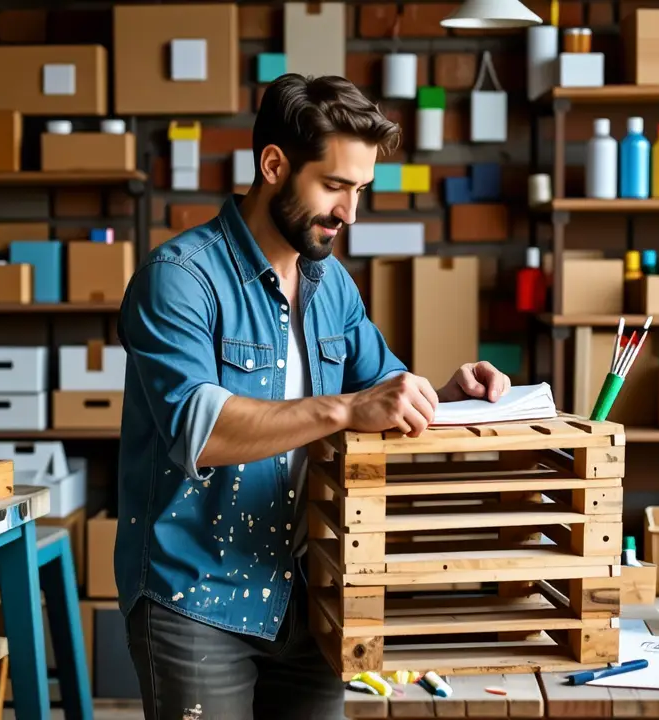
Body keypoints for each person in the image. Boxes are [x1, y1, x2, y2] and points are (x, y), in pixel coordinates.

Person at [116, 73, 512, 720]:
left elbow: (381, 395)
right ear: (274, 165)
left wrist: (447, 393)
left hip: (312, 591)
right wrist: (345, 409)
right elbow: (198, 430)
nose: (349, 213)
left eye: (360, 191)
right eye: (333, 186)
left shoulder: (332, 286)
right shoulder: (179, 279)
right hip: (197, 598)